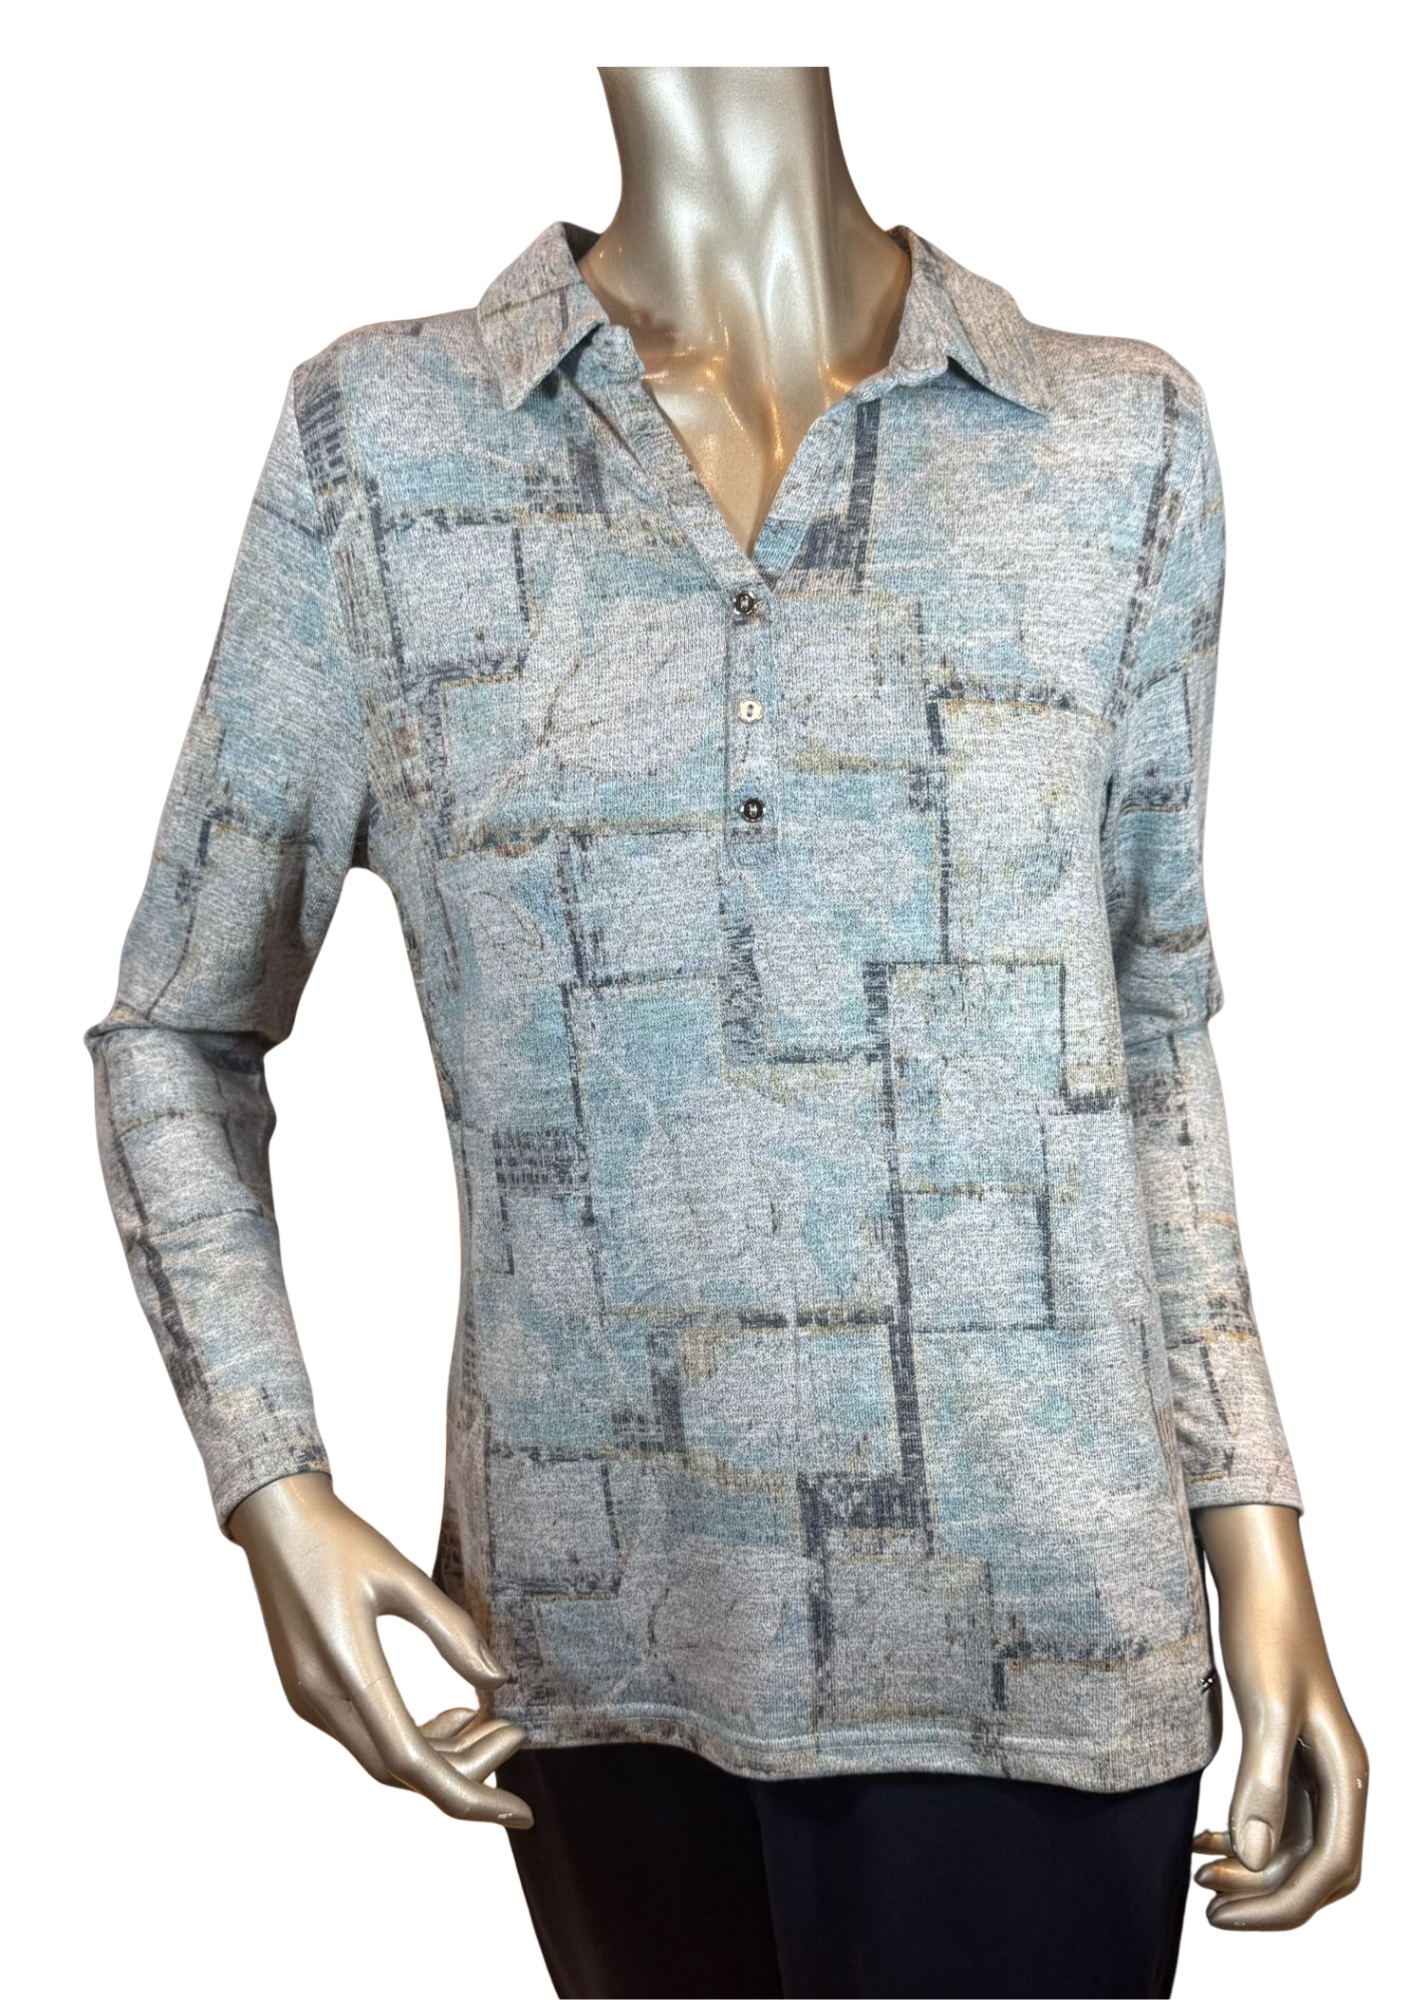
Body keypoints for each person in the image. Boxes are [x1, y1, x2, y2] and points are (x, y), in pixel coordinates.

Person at [86, 63, 1366, 2000]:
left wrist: (1257, 1541)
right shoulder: (385, 449)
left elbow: (1148, 1033)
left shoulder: (1112, 443)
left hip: (1039, 1635)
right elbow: (175, 1031)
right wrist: (273, 1486)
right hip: (605, 1645)